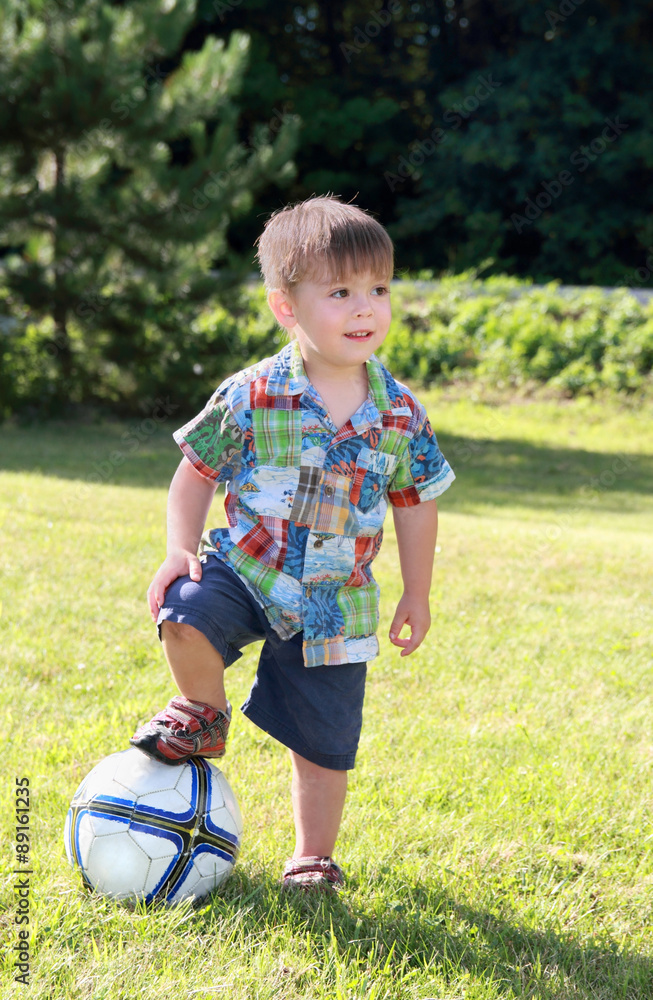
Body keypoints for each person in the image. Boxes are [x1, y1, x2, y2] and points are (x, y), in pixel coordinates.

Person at [130, 195, 455, 890]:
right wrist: (179, 547)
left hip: (335, 601)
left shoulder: (400, 413)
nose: (365, 308)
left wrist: (418, 592)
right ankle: (205, 714)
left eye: (378, 290)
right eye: (340, 293)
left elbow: (415, 505)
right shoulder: (251, 394)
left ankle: (312, 855)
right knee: (184, 610)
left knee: (324, 743)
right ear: (286, 306)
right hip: (247, 569)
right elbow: (195, 473)